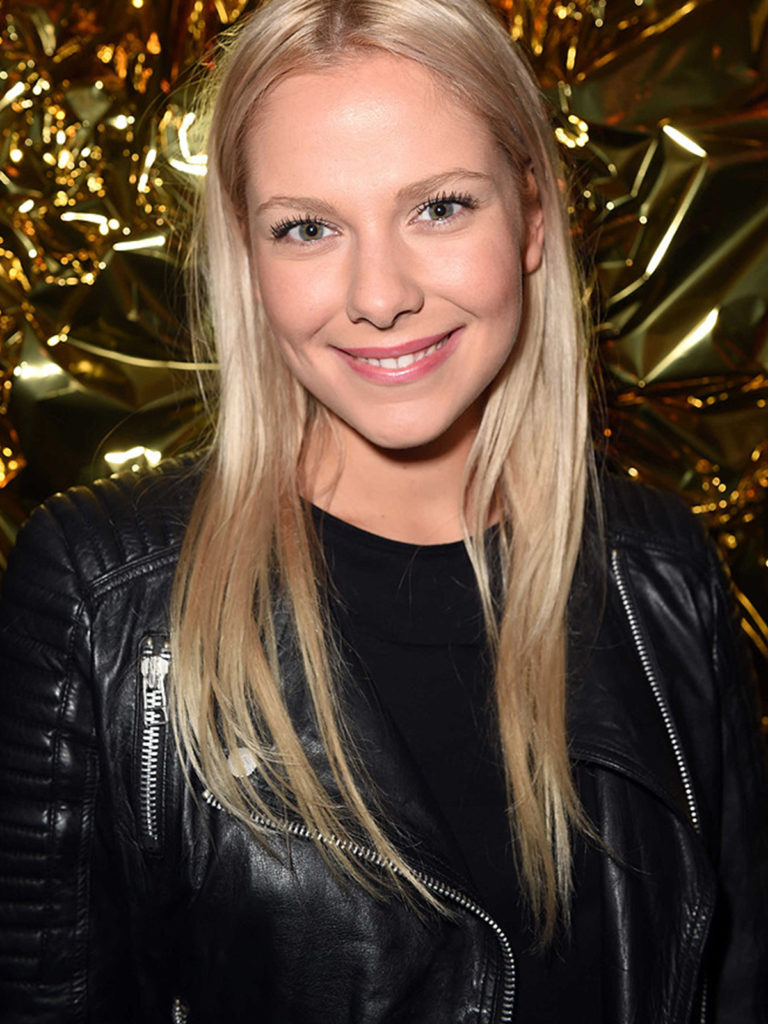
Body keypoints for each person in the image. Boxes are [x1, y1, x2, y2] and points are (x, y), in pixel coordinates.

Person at [0, 0, 766, 1020]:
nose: (379, 294)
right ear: (248, 255)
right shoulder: (100, 598)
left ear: (532, 216)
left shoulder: (662, 571)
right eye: (307, 228)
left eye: (438, 208)